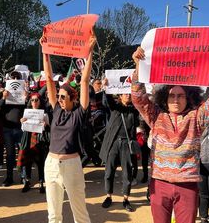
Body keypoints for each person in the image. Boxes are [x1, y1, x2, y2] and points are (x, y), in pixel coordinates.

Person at [131, 38, 209, 223]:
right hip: (159, 184)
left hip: (187, 187)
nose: (175, 100)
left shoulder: (197, 117)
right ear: (164, 97)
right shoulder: (156, 117)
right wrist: (138, 66)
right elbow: (138, 97)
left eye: (180, 95)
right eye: (171, 95)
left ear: (188, 97)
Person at [40, 31, 96, 223]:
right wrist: (45, 51)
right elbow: (48, 79)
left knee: (79, 214)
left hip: (72, 165)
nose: (60, 99)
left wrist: (90, 51)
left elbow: (85, 81)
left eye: (64, 97)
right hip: (51, 165)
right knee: (54, 215)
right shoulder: (56, 110)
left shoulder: (79, 113)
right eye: (59, 97)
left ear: (73, 98)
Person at [99, 90, 139, 211]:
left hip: (127, 145)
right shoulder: (115, 108)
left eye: (129, 94)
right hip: (114, 143)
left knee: (127, 173)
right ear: (120, 96)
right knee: (109, 172)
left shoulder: (134, 110)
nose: (128, 95)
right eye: (125, 93)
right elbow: (109, 100)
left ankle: (126, 199)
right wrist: (106, 89)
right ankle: (108, 196)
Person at [0, 71, 26, 186]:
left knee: (22, 154)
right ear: (9, 79)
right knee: (10, 155)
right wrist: (3, 98)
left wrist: (27, 99)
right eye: (13, 77)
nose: (15, 78)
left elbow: (29, 109)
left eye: (18, 77)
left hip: (20, 129)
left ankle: (24, 177)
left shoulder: (24, 93)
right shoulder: (4, 93)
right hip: (8, 129)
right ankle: (9, 178)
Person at [17, 93, 49, 193]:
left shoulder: (44, 114)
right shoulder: (26, 113)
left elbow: (48, 128)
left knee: (40, 163)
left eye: (36, 100)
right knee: (27, 162)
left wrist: (45, 124)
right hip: (28, 140)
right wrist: (22, 121)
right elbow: (23, 129)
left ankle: (41, 183)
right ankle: (27, 182)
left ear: (40, 102)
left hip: (39, 140)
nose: (34, 102)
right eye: (32, 100)